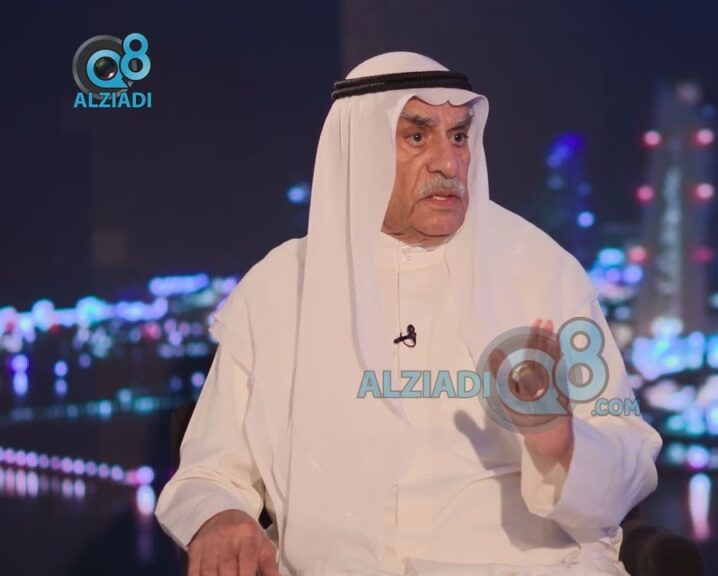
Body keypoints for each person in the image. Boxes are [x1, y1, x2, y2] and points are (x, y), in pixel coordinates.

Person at [155, 51, 662, 576]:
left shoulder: (541, 272)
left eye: (459, 136)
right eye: (417, 137)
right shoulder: (281, 287)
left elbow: (629, 460)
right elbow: (208, 474)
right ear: (360, 151)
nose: (449, 162)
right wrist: (218, 517)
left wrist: (561, 441)